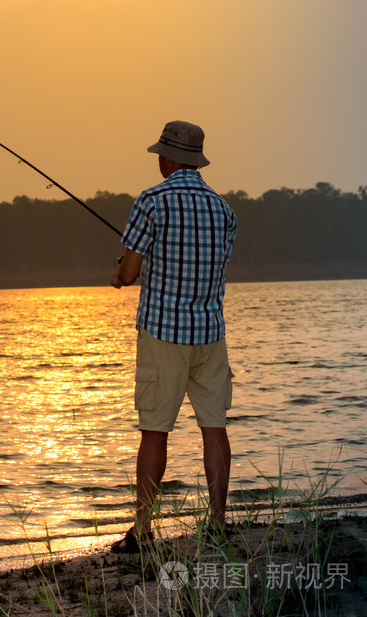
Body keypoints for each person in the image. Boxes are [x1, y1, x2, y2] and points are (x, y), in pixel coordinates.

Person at [110, 120, 237, 553]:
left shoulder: (152, 201)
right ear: (196, 161)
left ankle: (143, 530)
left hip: (164, 332)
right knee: (214, 427)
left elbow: (129, 272)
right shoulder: (224, 210)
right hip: (210, 333)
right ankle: (218, 524)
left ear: (168, 158)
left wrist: (118, 275)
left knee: (154, 430)